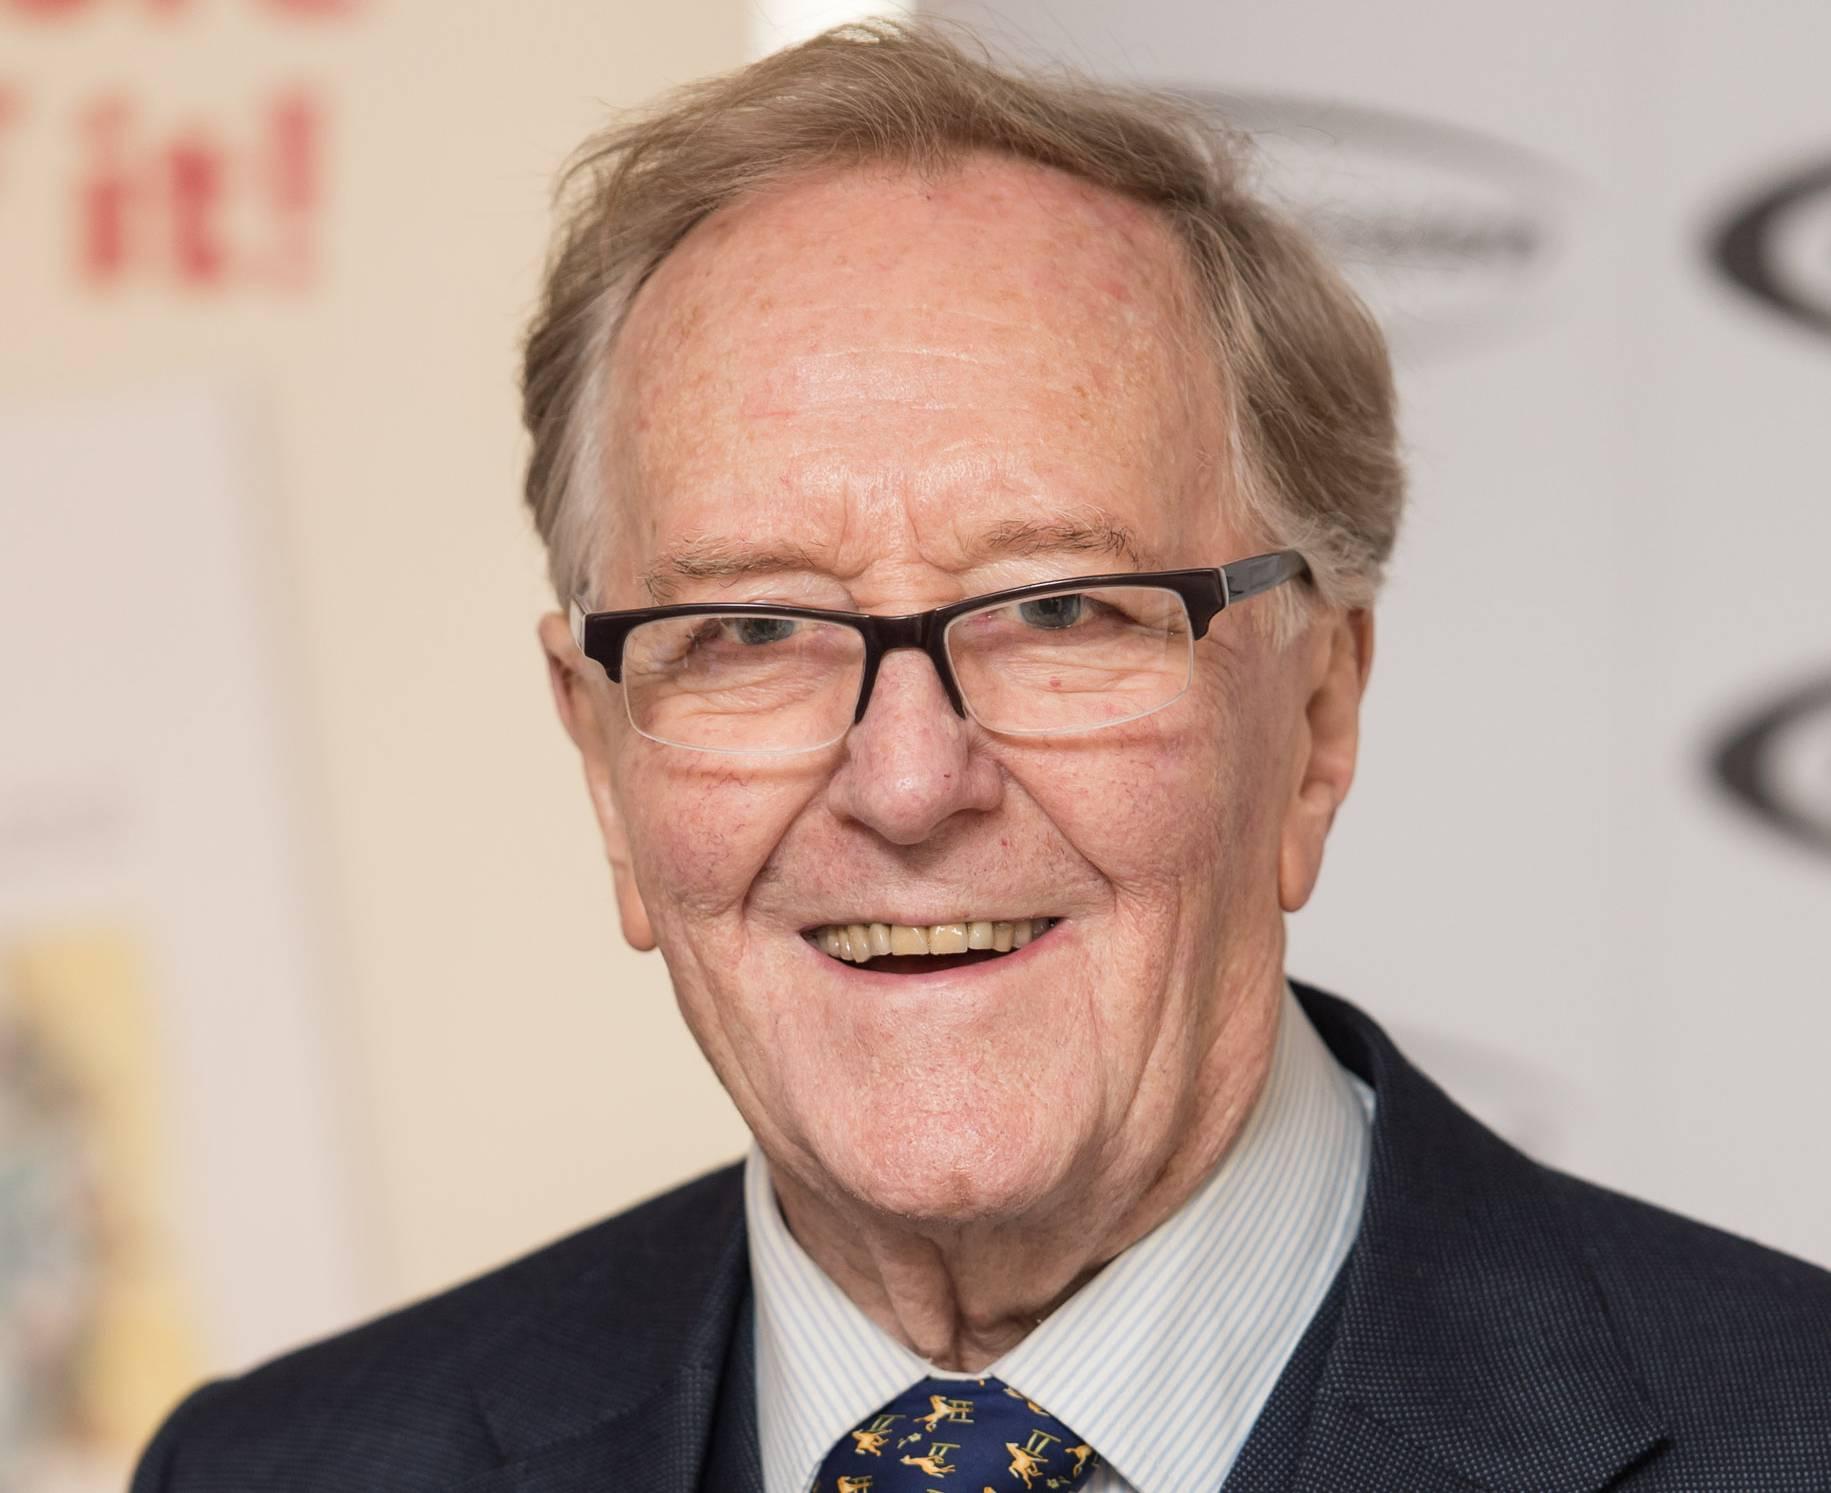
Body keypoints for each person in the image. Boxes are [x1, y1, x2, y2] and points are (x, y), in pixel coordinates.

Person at [132, 22, 1831, 1492]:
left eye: (1065, 611)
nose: (908, 778)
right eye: (751, 631)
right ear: (602, 759)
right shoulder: (283, 1467)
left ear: (1319, 718)